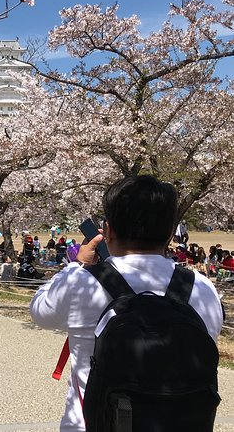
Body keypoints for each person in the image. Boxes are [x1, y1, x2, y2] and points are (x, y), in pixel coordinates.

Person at [29, 175, 223, 432]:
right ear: (169, 232)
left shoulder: (80, 282)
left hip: (92, 425)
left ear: (107, 230)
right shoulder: (201, 287)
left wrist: (75, 265)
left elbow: (39, 311)